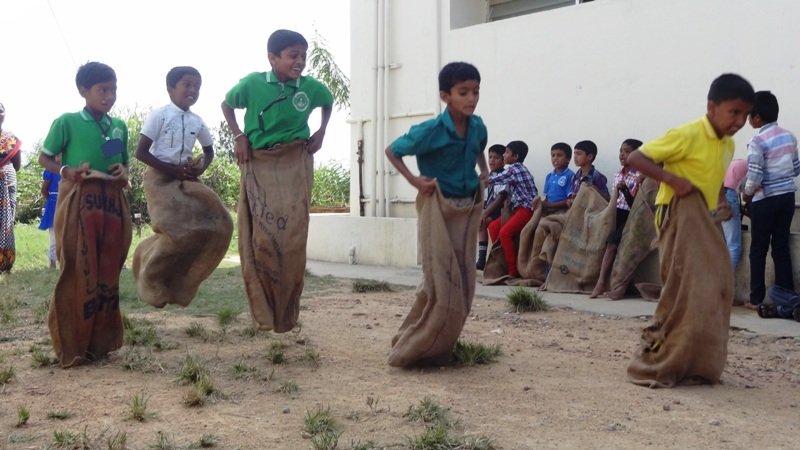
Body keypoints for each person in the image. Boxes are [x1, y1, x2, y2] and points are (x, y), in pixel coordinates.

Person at [626, 73, 755, 388]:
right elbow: (636, 158)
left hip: (705, 221)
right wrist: (673, 180)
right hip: (677, 217)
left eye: (745, 115)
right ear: (712, 107)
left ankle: (694, 362)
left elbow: (715, 177)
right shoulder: (687, 134)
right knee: (681, 290)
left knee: (710, 290)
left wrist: (721, 200)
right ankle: (657, 359)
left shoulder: (728, 144)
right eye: (733, 112)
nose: (739, 121)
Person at [221, 29, 333, 333]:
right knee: (261, 239)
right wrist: (239, 136)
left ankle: (286, 313)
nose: (300, 61)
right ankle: (264, 310)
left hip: (295, 161)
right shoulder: (253, 84)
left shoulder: (309, 87)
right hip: (259, 162)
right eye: (293, 55)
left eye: (303, 56)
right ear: (272, 58)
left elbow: (328, 101)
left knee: (293, 237)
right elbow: (227, 104)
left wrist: (322, 131)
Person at [384, 61, 488, 367]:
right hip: (438, 207)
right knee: (439, 279)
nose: (471, 98)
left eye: (476, 91)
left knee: (464, 279)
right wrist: (414, 180)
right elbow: (393, 150)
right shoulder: (430, 131)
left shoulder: (478, 126)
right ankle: (414, 348)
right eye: (463, 92)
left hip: (467, 209)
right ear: (445, 96)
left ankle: (437, 344)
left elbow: (479, 147)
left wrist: (483, 170)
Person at [39, 61, 132, 368]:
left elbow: (121, 161)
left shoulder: (118, 127)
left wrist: (124, 171)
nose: (109, 96)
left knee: (108, 269)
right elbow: (45, 158)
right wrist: (67, 170)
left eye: (113, 90)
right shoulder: (67, 122)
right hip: (79, 199)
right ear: (83, 91)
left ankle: (101, 343)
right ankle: (71, 343)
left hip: (111, 203)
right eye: (102, 90)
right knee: (78, 267)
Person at [133, 66, 233, 308]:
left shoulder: (197, 122)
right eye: (187, 85)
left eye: (197, 87)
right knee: (175, 234)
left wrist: (199, 169)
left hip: (185, 178)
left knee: (221, 223)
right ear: (170, 89)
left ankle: (182, 284)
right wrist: (170, 170)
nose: (192, 90)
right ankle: (149, 276)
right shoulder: (160, 116)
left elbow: (209, 152)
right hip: (159, 179)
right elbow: (141, 152)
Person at [741, 91, 800, 317]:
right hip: (787, 197)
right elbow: (796, 168)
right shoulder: (789, 137)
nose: (747, 119)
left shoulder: (757, 141)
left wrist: (746, 194)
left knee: (758, 249)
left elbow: (755, 175)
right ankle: (787, 297)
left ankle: (756, 299)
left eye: (749, 115)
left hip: (765, 199)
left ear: (757, 117)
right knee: (781, 247)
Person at [590, 138, 643, 298]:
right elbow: (612, 201)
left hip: (630, 216)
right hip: (615, 214)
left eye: (627, 152)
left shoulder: (640, 176)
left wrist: (625, 191)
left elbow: (636, 205)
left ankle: (602, 283)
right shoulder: (617, 175)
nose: (622, 155)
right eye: (621, 151)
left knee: (613, 243)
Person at [486, 140, 538, 279]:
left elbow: (496, 179)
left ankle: (512, 270)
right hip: (517, 209)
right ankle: (501, 260)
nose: (504, 154)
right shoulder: (516, 169)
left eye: (507, 152)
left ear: (515, 156)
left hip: (526, 209)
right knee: (493, 227)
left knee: (504, 233)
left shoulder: (515, 169)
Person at [476, 144, 507, 270]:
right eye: (490, 157)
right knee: (479, 222)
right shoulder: (487, 176)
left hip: (499, 209)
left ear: (504, 160)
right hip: (488, 208)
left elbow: (500, 198)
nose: (492, 161)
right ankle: (482, 258)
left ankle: (484, 259)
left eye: (496, 158)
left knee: (483, 222)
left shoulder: (504, 175)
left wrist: (485, 214)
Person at [0, 102, 22, 273]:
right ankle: (4, 262)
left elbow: (17, 165)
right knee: (5, 221)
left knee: (7, 221)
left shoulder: (11, 139)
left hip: (7, 182)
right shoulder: (11, 139)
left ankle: (5, 261)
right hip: (8, 179)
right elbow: (17, 165)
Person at [721, 159, 748, 272]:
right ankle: (724, 282)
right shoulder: (753, 168)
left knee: (718, 245)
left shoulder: (736, 162)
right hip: (728, 195)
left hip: (713, 196)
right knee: (734, 246)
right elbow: (747, 195)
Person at [566, 140, 609, 206]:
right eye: (574, 154)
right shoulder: (575, 177)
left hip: (592, 210)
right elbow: (573, 195)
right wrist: (571, 200)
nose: (575, 157)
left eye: (579, 154)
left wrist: (596, 191)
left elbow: (607, 199)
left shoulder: (597, 176)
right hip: (578, 209)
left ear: (590, 157)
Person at [541, 142, 574, 216]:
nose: (555, 158)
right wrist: (542, 204)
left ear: (568, 159)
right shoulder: (549, 176)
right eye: (553, 155)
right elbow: (546, 196)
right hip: (548, 210)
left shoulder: (570, 176)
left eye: (559, 155)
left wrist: (549, 205)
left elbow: (569, 200)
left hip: (562, 211)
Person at [39, 163, 61, 269]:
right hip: (53, 204)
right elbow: (44, 190)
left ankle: (65, 262)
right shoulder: (50, 170)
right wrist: (52, 200)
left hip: (69, 202)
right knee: (53, 234)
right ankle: (52, 262)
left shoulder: (71, 168)